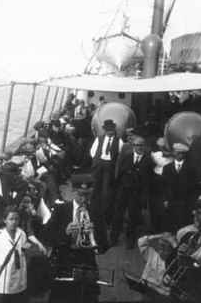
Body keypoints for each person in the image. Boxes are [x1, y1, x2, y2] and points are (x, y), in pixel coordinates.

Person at [45, 174, 99, 303]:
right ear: (73, 192)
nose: (83, 199)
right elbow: (47, 236)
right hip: (64, 263)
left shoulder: (96, 211)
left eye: (87, 195)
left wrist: (94, 235)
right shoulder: (61, 210)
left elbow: (105, 244)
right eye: (80, 195)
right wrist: (65, 232)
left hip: (87, 264)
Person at [163, 199, 201, 303]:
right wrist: (175, 256)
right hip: (179, 295)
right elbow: (170, 267)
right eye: (196, 222)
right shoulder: (189, 237)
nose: (198, 226)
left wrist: (188, 263)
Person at [111, 135, 153, 248]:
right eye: (137, 145)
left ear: (144, 146)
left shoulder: (148, 161)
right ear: (133, 146)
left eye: (141, 145)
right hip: (124, 190)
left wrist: (144, 196)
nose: (139, 147)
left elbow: (148, 181)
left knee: (132, 217)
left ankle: (130, 240)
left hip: (136, 193)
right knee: (118, 214)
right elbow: (120, 174)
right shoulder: (127, 157)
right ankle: (113, 239)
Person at [90, 119, 123, 250]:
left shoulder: (119, 142)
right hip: (99, 164)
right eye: (107, 130)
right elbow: (92, 151)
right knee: (95, 188)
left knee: (107, 191)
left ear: (114, 130)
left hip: (110, 166)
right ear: (104, 130)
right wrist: (97, 160)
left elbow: (120, 156)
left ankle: (105, 214)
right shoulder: (99, 138)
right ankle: (93, 209)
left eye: (111, 130)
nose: (109, 133)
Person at [0, 205, 29, 303]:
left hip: (18, 274)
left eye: (16, 219)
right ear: (5, 220)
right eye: (11, 219)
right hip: (2, 276)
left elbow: (24, 250)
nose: (14, 222)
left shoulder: (22, 234)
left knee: (16, 296)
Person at [162, 143, 198, 232]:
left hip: (185, 202)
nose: (179, 155)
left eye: (181, 153)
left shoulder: (191, 168)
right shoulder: (167, 168)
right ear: (173, 153)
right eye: (177, 153)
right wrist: (165, 199)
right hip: (171, 201)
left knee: (184, 224)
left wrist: (193, 204)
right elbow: (163, 186)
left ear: (184, 154)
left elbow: (194, 188)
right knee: (172, 224)